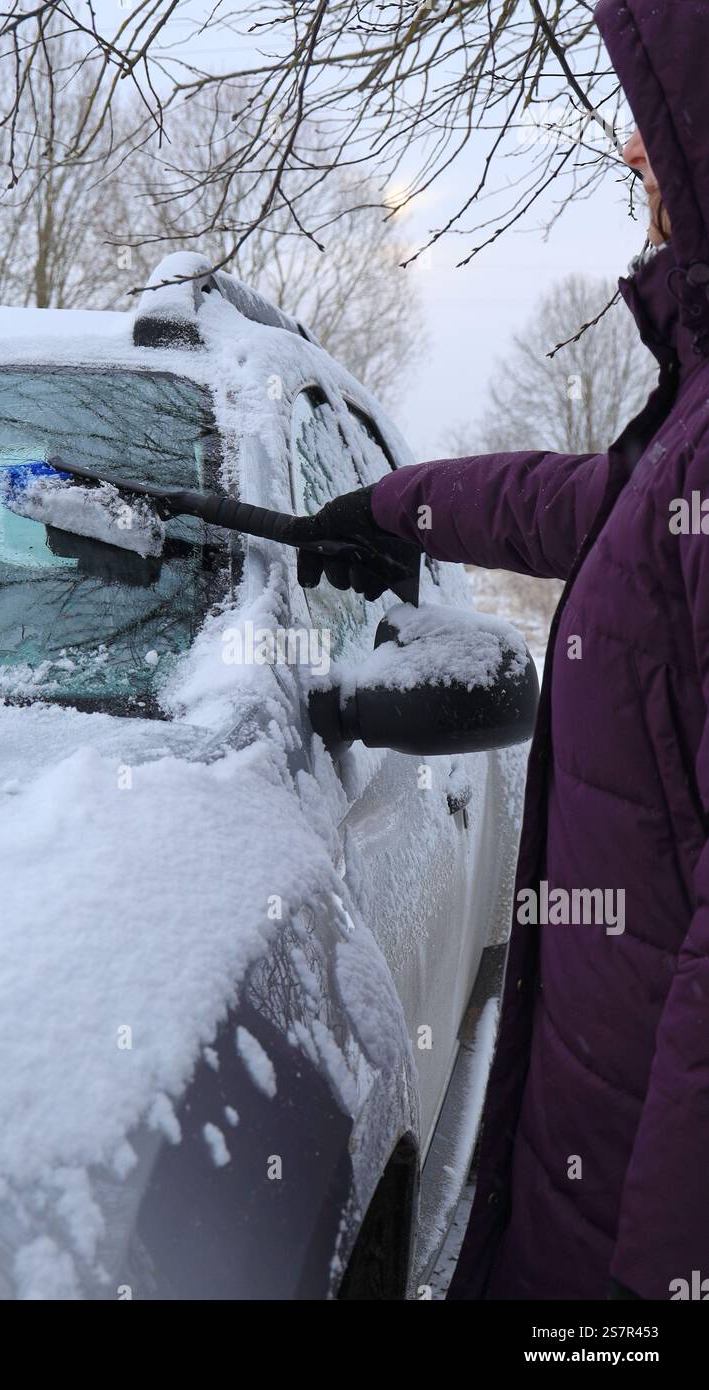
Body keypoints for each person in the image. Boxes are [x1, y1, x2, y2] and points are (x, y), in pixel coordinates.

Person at [290, 0, 709, 1300]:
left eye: (651, 122)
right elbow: (583, 503)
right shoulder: (691, 424)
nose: (633, 157)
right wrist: (388, 503)